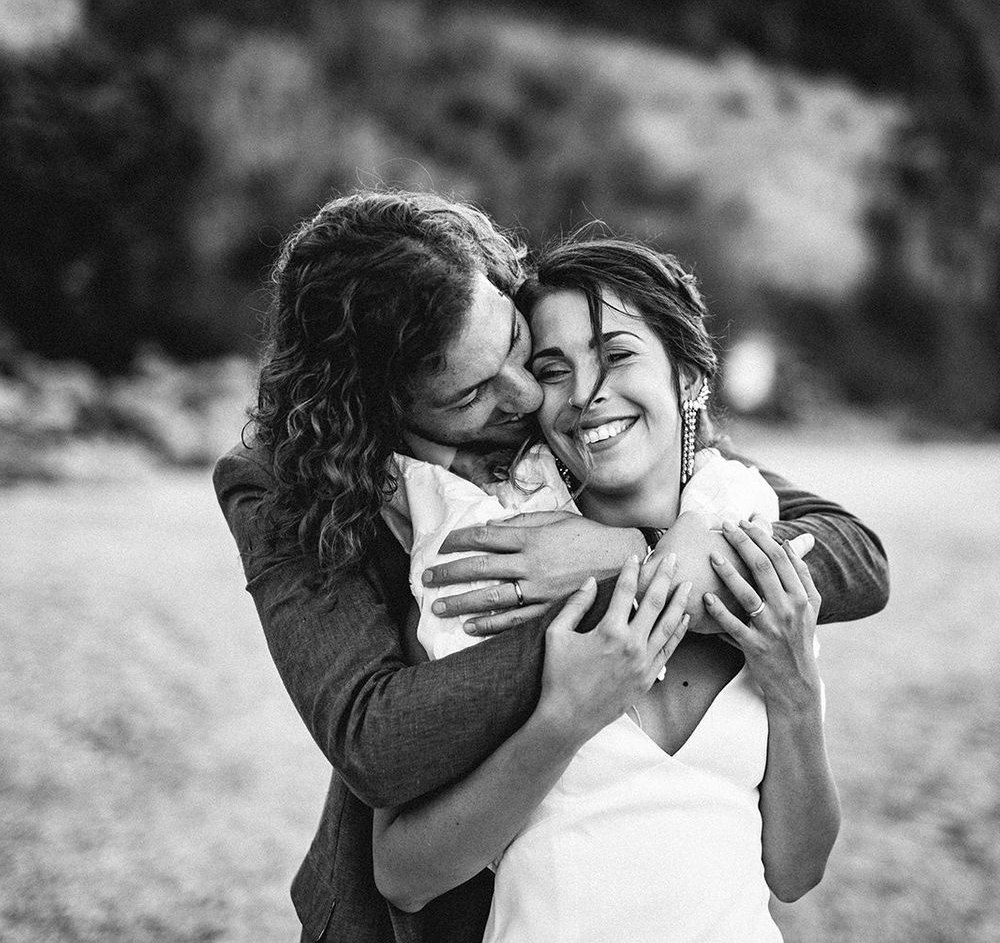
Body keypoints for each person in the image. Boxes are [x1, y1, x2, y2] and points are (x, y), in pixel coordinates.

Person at [212, 189, 889, 943]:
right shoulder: (290, 488)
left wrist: (629, 556)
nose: (531, 393)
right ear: (384, 409)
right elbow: (376, 741)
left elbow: (851, 550)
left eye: (514, 345)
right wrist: (592, 660)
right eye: (471, 392)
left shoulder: (683, 479)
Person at [372, 238, 840, 941]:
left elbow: (795, 872)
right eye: (554, 371)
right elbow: (403, 877)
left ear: (688, 377)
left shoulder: (751, 548)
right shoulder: (496, 574)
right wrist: (564, 722)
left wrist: (796, 695)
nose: (587, 396)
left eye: (616, 355)